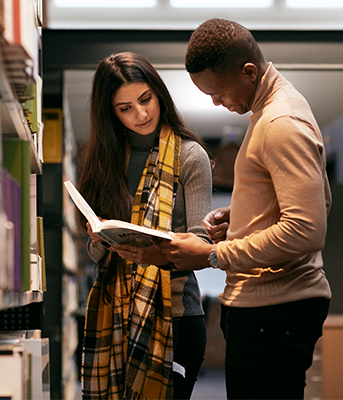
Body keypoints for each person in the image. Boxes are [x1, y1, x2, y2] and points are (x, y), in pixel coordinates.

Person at [159, 18, 332, 400]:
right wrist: (242, 220)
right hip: (267, 307)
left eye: (218, 92)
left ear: (249, 72)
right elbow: (301, 203)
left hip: (276, 311)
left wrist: (214, 254)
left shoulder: (280, 122)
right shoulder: (268, 113)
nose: (216, 102)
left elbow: (306, 228)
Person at [78, 51, 212, 400]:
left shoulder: (189, 155)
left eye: (145, 99)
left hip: (177, 316)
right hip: (115, 314)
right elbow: (95, 254)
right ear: (110, 112)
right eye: (125, 108)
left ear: (158, 93)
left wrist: (153, 254)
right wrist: (98, 236)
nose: (141, 114)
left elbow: (200, 244)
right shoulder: (103, 160)